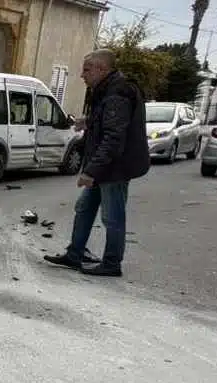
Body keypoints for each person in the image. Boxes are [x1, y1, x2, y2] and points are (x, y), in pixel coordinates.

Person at [43, 49, 149, 277]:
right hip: (106, 166)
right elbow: (109, 120)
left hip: (114, 167)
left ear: (102, 69)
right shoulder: (108, 90)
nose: (82, 75)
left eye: (87, 69)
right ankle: (74, 255)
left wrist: (91, 171)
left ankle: (112, 264)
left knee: (113, 216)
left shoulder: (117, 92)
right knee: (84, 208)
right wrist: (89, 122)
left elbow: (114, 138)